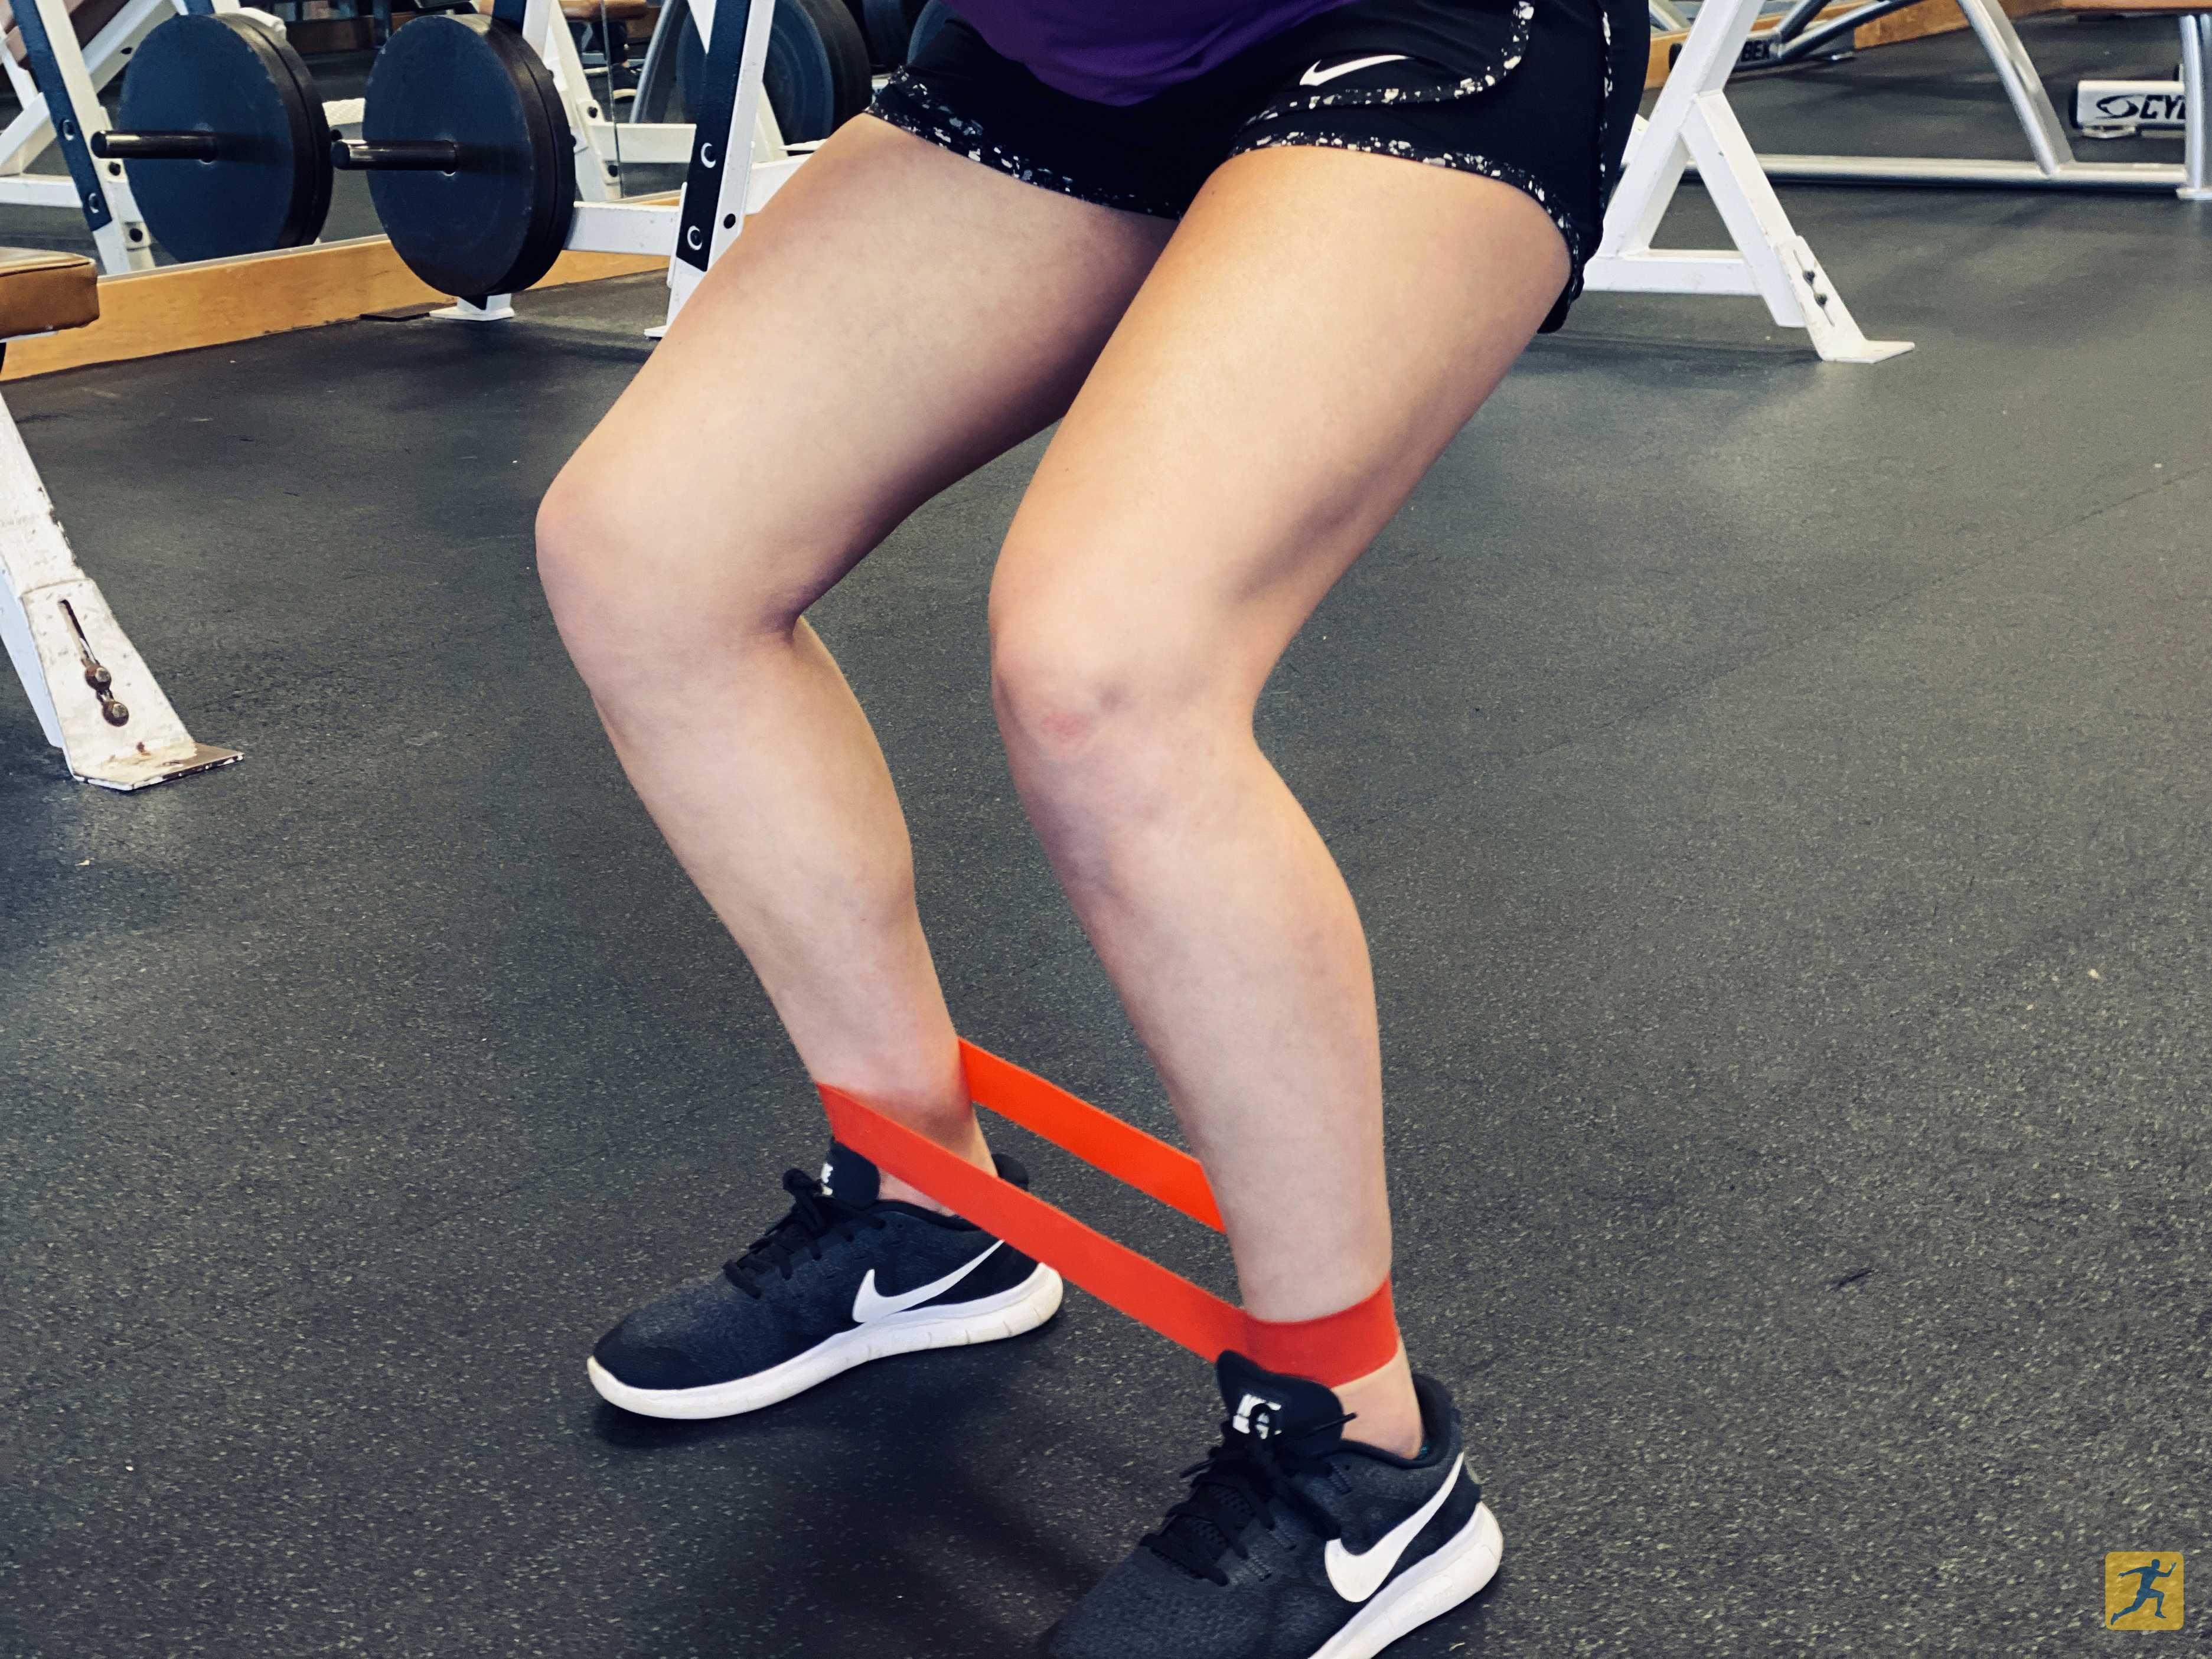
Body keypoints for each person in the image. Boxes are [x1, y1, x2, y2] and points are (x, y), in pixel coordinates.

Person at [537, 0, 1643, 1651]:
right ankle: (924, 1208)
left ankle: (1363, 1458)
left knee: (1103, 672)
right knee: (643, 552)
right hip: (1067, 49)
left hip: (1417, 33)